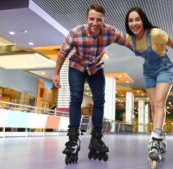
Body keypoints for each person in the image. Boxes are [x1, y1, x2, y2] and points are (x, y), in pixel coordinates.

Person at [53, 3, 131, 165]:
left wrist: (144, 51)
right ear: (86, 19)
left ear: (104, 20)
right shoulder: (75, 33)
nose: (95, 23)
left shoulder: (110, 32)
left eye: (98, 20)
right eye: (92, 19)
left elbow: (127, 42)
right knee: (76, 98)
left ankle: (96, 138)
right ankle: (74, 139)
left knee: (100, 100)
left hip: (96, 67)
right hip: (77, 66)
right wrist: (56, 74)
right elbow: (62, 55)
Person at [125, 7, 173, 165]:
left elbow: (172, 44)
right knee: (154, 107)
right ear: (127, 24)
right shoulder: (130, 39)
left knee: (159, 103)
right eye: (130, 20)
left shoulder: (156, 33)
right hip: (148, 72)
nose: (134, 23)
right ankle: (161, 138)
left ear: (143, 20)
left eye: (137, 19)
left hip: (164, 68)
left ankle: (155, 140)